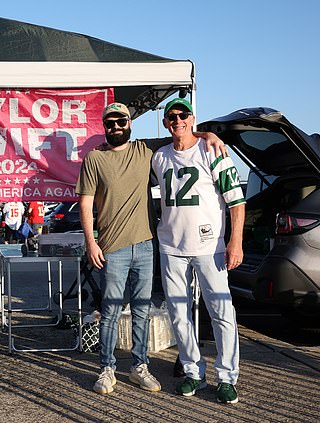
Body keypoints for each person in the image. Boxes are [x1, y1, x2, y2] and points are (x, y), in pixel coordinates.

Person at [77, 102, 227, 395]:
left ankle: (139, 366)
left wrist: (209, 134)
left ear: (130, 125)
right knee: (109, 311)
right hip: (112, 246)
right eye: (110, 123)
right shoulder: (94, 159)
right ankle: (107, 368)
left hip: (146, 245)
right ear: (104, 126)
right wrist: (90, 241)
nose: (116, 127)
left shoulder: (145, 150)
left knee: (142, 311)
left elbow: (183, 136)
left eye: (121, 121)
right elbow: (85, 203)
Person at [151, 98, 245, 404]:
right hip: (171, 246)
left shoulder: (212, 151)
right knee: (178, 315)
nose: (178, 120)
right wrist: (204, 132)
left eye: (183, 114)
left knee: (221, 312)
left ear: (193, 118)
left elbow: (236, 201)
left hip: (209, 246)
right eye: (171, 116)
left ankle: (227, 376)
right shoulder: (160, 156)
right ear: (165, 123)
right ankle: (193, 372)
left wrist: (235, 241)